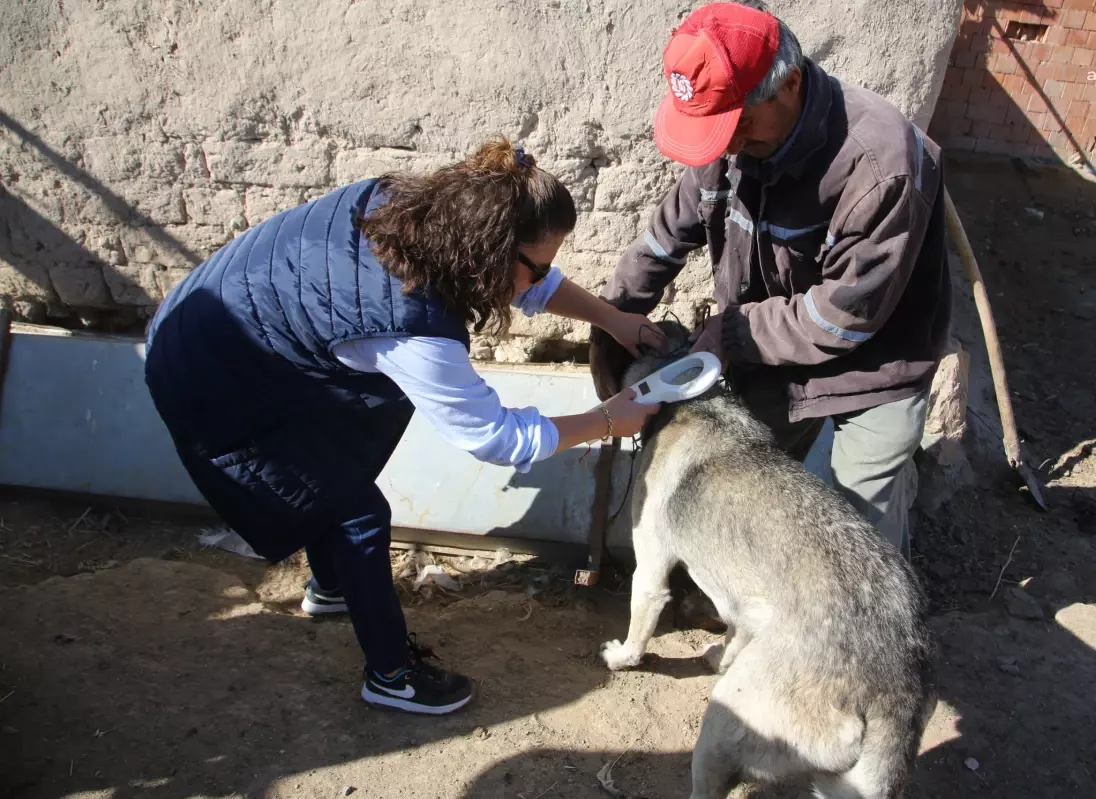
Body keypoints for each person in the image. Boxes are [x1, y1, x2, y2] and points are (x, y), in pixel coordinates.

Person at [143, 138, 664, 715]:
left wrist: (614, 319)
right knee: (357, 512)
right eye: (535, 266)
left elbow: (533, 280)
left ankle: (333, 588)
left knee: (331, 467)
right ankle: (391, 676)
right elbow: (495, 437)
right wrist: (607, 421)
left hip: (225, 321)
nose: (538, 280)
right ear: (489, 252)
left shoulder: (416, 210)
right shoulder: (409, 324)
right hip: (210, 375)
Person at [589, 1, 951, 559]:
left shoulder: (880, 167)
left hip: (874, 367)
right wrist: (614, 320)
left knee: (863, 538)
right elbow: (664, 240)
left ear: (791, 85)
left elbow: (842, 316)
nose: (727, 145)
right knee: (746, 497)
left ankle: (878, 638)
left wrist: (731, 332)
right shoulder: (727, 144)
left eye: (739, 126)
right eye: (715, 131)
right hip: (771, 357)